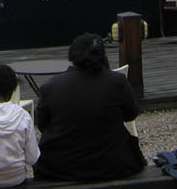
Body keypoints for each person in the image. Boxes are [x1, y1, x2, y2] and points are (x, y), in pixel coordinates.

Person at [32, 33, 144, 180]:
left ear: (72, 57)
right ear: (102, 56)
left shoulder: (50, 86)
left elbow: (42, 123)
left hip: (60, 167)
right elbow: (131, 114)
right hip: (113, 164)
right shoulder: (117, 82)